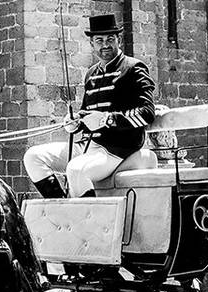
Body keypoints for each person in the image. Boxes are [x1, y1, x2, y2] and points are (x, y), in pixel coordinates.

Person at [23, 14, 156, 198]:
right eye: (99, 40)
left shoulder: (134, 68)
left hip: (116, 150)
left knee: (76, 170)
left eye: (110, 39)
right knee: (33, 156)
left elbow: (147, 113)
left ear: (118, 40)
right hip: (87, 146)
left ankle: (89, 222)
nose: (105, 45)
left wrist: (107, 119)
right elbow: (87, 115)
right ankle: (62, 206)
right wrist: (76, 122)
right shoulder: (91, 74)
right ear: (92, 44)